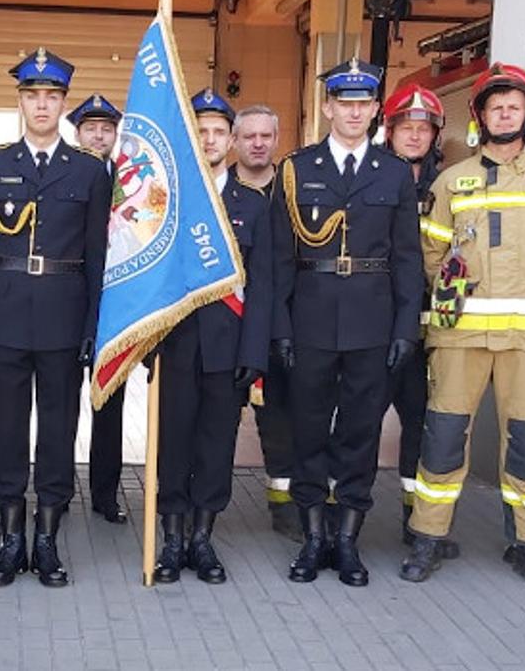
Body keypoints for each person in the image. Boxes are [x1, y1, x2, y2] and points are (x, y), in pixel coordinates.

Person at [401, 64, 525, 591]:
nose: (505, 112)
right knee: (443, 442)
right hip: (460, 336)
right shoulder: (451, 181)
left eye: (514, 105)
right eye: (496, 105)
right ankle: (427, 539)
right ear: (480, 115)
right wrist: (456, 296)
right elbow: (431, 252)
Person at [0, 48, 110, 587]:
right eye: (32, 96)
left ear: (63, 103)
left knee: (57, 428)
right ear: (20, 102)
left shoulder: (90, 171)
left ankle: (46, 539)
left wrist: (95, 326)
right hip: (3, 312)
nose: (41, 105)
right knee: (4, 428)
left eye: (51, 96)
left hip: (64, 314)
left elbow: (97, 257)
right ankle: (10, 539)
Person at [271, 58, 423, 587]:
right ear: (329, 107)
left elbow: (409, 259)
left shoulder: (394, 172)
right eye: (345, 103)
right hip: (310, 318)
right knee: (308, 430)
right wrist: (281, 329)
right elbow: (279, 259)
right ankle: (313, 538)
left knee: (360, 433)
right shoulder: (296, 169)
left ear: (376, 110)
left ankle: (347, 541)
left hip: (372, 321)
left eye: (364, 104)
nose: (355, 112)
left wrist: (407, 328)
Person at [149, 89, 271, 584]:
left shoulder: (254, 206)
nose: (210, 139)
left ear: (233, 142)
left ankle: (203, 539)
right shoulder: (164, 201)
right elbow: (149, 275)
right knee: (172, 444)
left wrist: (255, 351)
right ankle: (172, 540)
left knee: (216, 446)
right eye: (200, 132)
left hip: (229, 345)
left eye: (219, 132)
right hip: (175, 344)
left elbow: (264, 285)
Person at [379, 84, 446, 546]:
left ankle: (417, 523)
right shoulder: (376, 178)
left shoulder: (451, 183)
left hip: (436, 328)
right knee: (361, 421)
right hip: (381, 324)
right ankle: (346, 518)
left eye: (423, 129)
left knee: (425, 427)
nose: (415, 137)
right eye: (407, 128)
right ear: (391, 132)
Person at [231, 104, 299, 540]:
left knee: (280, 422)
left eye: (266, 136)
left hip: (281, 325)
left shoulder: (293, 191)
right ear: (235, 141)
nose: (257, 143)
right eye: (249, 136)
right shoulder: (217, 192)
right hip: (227, 326)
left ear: (277, 140)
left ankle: (283, 505)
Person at [68, 91, 130, 524]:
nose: (98, 135)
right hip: (71, 303)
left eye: (106, 129)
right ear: (77, 132)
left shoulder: (132, 182)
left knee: (110, 403)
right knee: (62, 402)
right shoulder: (65, 174)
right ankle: (59, 488)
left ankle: (106, 494)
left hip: (118, 304)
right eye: (91, 127)